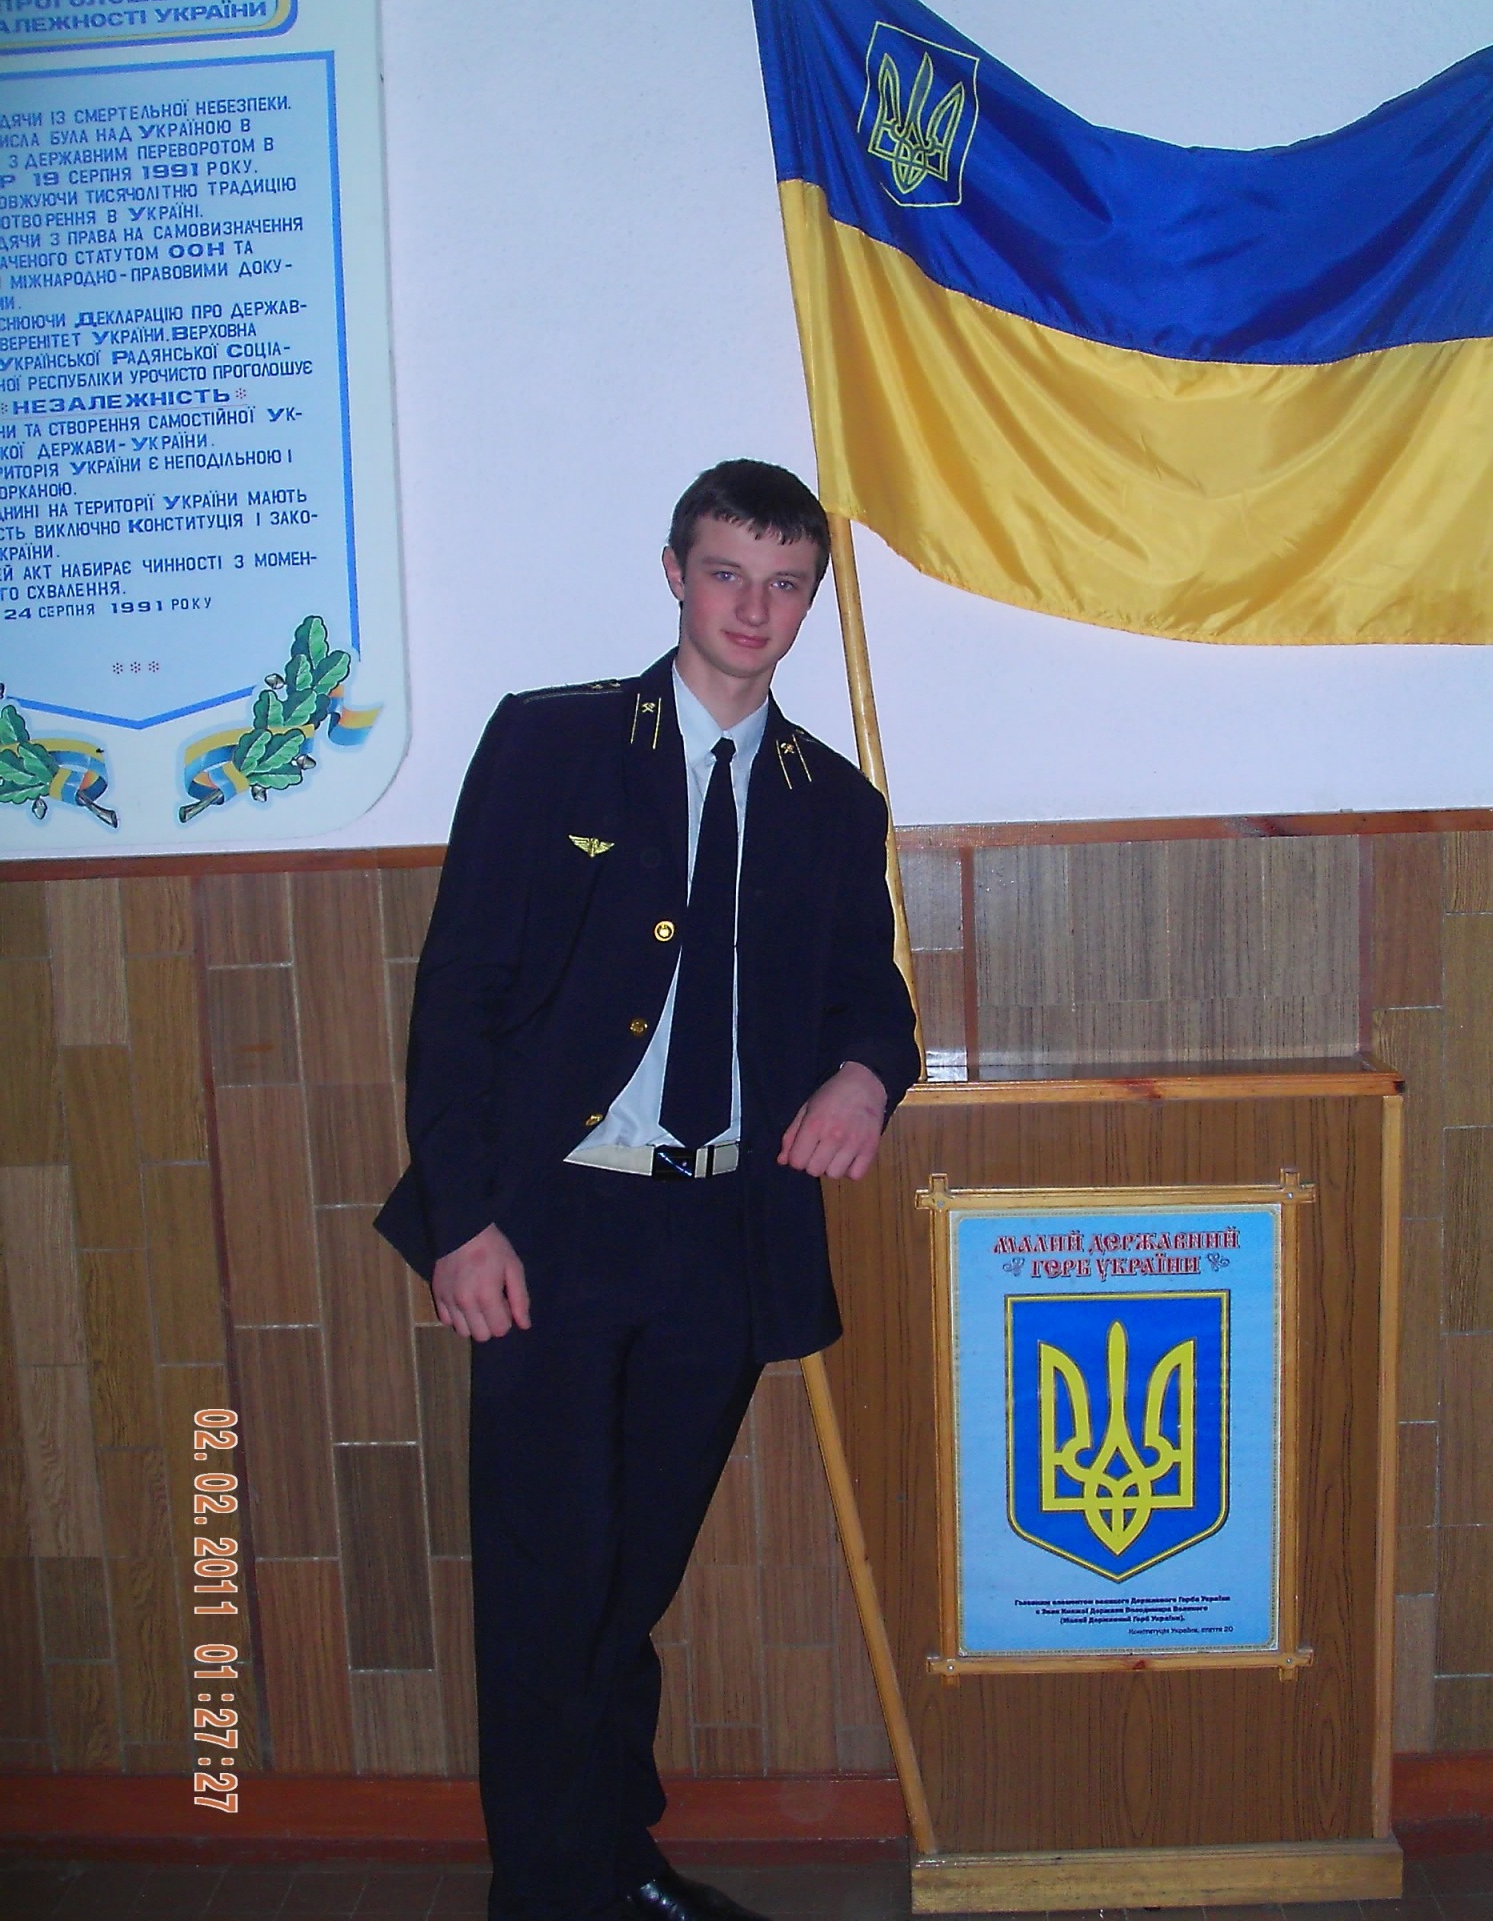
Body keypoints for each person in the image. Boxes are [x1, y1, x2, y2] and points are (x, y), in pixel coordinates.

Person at [376, 460, 920, 1921]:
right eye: (727, 573)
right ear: (675, 573)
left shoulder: (832, 802)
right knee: (548, 1581)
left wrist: (867, 1077)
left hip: (718, 1234)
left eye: (786, 584)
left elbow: (874, 1002)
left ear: (809, 600)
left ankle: (607, 1863)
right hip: (550, 1224)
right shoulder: (553, 745)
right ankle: (556, 1892)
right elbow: (459, 994)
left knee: (629, 1580)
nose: (754, 608)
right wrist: (465, 1220)